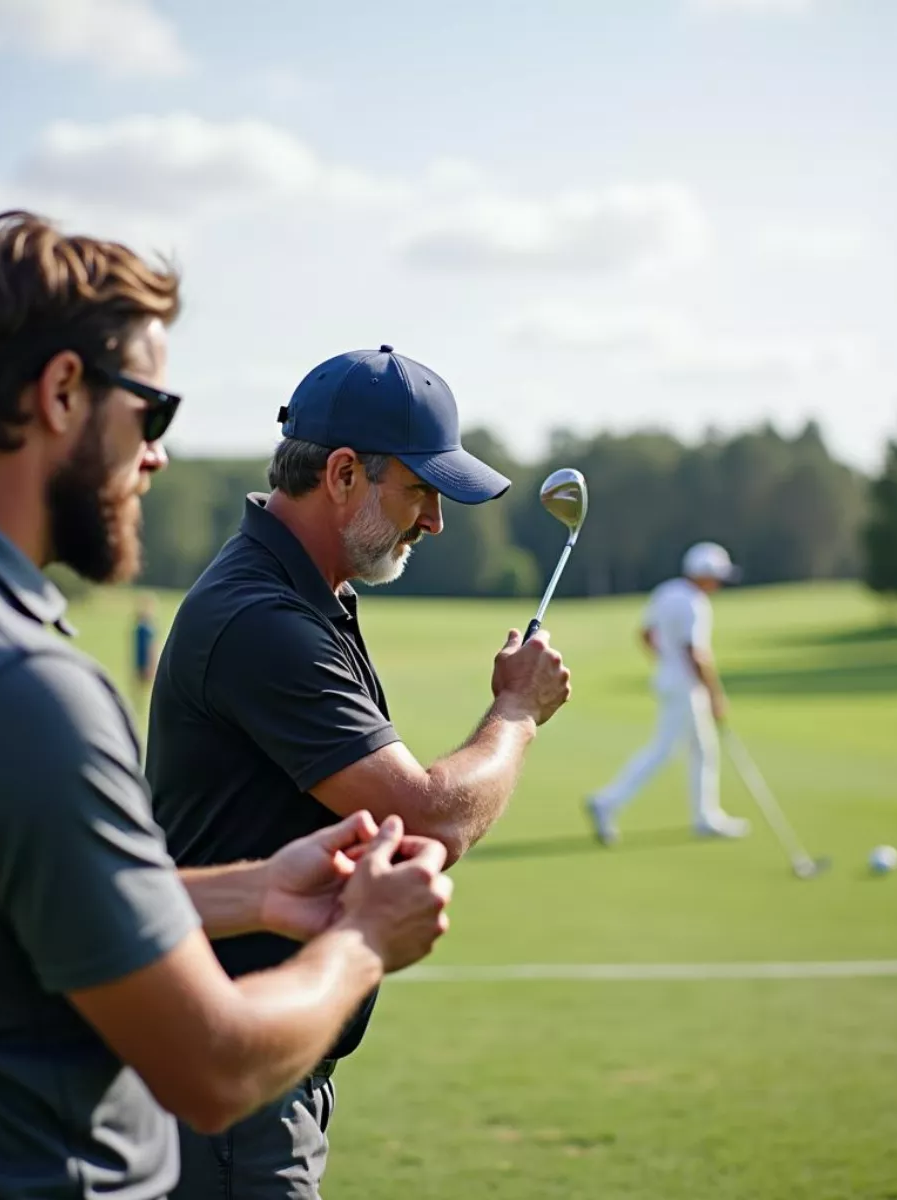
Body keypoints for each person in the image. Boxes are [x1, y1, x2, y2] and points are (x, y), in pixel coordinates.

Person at [0, 215, 453, 1200]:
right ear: (62, 391)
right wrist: (362, 937)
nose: (157, 456)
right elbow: (214, 1069)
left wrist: (249, 893)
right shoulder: (22, 686)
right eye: (152, 412)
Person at [145, 344, 573, 1199]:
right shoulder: (263, 617)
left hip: (257, 1059)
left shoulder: (309, 591)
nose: (434, 522)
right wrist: (517, 714)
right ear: (342, 474)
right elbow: (426, 820)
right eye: (420, 491)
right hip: (231, 1068)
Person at [585, 541, 751, 845]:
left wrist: (667, 661)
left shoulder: (667, 591)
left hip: (669, 680)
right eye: (716, 577)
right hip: (686, 687)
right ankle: (607, 802)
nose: (719, 585)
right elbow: (696, 654)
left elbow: (645, 634)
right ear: (703, 574)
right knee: (663, 750)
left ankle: (705, 816)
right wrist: (715, 695)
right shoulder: (694, 603)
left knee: (702, 749)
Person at [132, 592, 160, 706]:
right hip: (143, 661)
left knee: (145, 688)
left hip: (145, 661)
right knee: (142, 687)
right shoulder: (144, 628)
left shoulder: (144, 628)